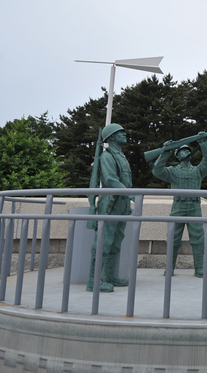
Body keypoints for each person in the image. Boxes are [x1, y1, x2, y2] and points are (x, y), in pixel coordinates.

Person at [153, 137, 207, 277]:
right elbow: (157, 170)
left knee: (198, 239)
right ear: (178, 156)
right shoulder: (173, 171)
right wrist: (165, 153)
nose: (185, 152)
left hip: (194, 207)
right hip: (178, 208)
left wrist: (203, 143)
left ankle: (199, 269)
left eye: (187, 150)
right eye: (181, 151)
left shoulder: (198, 171)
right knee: (173, 239)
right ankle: (170, 268)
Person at [87, 123, 132, 293]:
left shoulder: (121, 156)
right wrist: (129, 193)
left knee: (116, 242)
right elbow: (111, 179)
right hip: (110, 203)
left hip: (122, 203)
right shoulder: (107, 157)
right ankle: (93, 280)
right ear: (112, 137)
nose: (125, 133)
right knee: (103, 242)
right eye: (121, 132)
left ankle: (109, 275)